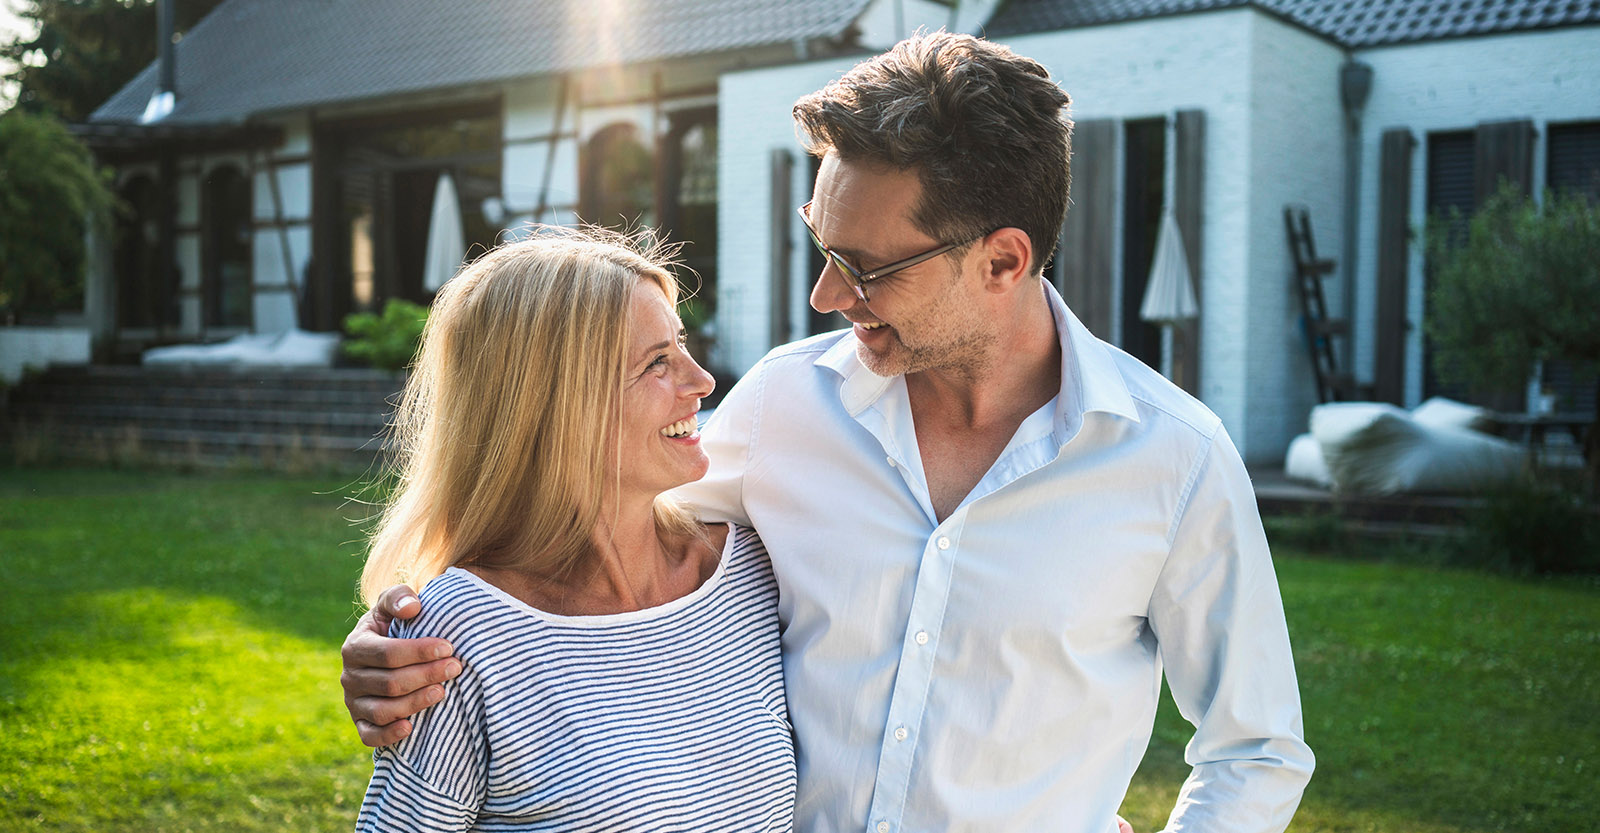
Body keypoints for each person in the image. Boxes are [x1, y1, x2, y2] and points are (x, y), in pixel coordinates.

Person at [342, 32, 1313, 833]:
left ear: (1001, 261)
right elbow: (568, 501)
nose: (824, 293)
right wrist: (406, 629)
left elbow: (1255, 746)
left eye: (864, 264)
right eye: (822, 243)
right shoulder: (781, 407)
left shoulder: (1172, 459)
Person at [350, 228, 796, 831]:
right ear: (559, 406)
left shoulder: (750, 567)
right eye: (656, 363)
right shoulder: (461, 631)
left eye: (682, 345)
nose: (702, 382)